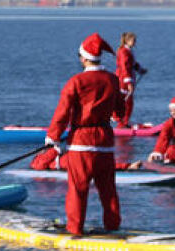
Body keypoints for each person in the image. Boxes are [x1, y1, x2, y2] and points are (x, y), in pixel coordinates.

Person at [46, 32, 125, 237]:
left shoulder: (76, 81)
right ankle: (113, 227)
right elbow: (121, 111)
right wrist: (115, 114)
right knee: (108, 191)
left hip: (81, 143)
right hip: (105, 144)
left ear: (84, 58)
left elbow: (62, 112)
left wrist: (53, 138)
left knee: (78, 190)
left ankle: (75, 230)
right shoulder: (112, 80)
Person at [115, 32, 147, 129]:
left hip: (125, 79)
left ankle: (124, 121)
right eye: (133, 40)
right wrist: (128, 82)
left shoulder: (127, 51)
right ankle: (121, 122)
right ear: (127, 40)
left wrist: (140, 69)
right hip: (123, 81)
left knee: (128, 101)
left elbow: (132, 64)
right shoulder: (124, 52)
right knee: (127, 102)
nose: (135, 43)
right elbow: (125, 67)